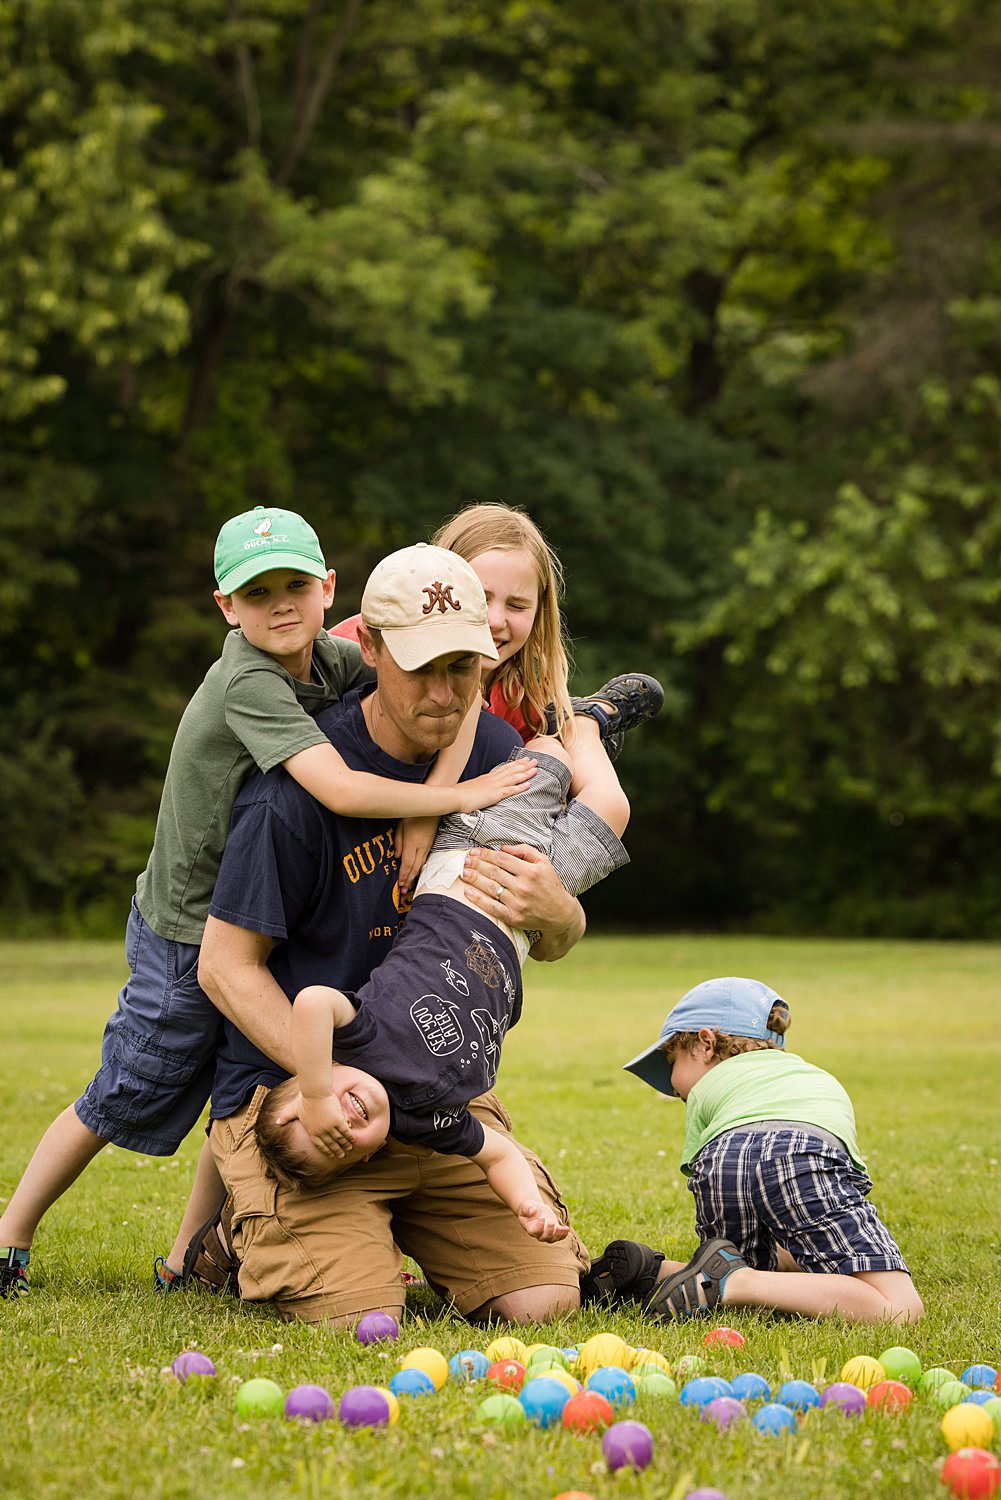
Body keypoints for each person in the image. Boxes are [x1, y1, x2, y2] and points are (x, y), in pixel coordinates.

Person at [0, 513, 532, 1301]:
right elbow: (338, 787)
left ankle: (188, 1255)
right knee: (133, 1086)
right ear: (226, 607)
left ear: (328, 592)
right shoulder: (250, 679)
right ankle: (12, 1232)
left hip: (253, 913)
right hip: (187, 925)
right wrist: (458, 795)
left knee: (248, 1069)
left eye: (294, 587)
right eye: (257, 594)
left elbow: (452, 692)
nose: (279, 608)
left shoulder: (337, 659)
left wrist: (430, 812)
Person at [192, 543, 608, 1327]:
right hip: (299, 1103)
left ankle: (398, 1226)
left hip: (435, 1100)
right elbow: (225, 969)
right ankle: (237, 1229)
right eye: (421, 667)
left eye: (464, 666)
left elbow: (541, 935)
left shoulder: (500, 758)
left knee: (544, 1301)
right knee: (359, 1320)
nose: (446, 692)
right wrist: (328, 1085)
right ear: (371, 647)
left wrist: (561, 915)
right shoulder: (296, 787)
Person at [252, 727, 631, 1236]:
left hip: (474, 869)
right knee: (611, 808)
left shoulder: (359, 1042)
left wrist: (318, 1096)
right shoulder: (427, 1122)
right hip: (523, 923)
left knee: (547, 761)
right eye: (340, 1145)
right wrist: (528, 1207)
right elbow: (496, 1154)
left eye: (320, 1124)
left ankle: (578, 720)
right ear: (363, 1162)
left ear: (303, 1086)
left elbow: (314, 1003)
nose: (343, 1120)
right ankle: (584, 729)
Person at [582, 976, 923, 1325]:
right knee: (896, 1307)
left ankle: (651, 1272)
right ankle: (734, 1281)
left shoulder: (710, 1092)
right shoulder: (810, 1075)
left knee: (741, 1270)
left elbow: (704, 1160)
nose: (671, 1086)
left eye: (672, 1062)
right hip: (801, 1155)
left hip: (724, 1158)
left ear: (705, 1045)